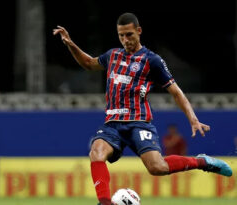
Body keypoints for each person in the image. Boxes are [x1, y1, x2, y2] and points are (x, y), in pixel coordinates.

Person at [53, 13, 232, 205]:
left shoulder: (151, 60)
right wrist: (70, 44)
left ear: (139, 31)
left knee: (157, 167)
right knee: (96, 151)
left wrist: (193, 118)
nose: (125, 40)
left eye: (129, 34)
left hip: (139, 122)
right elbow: (89, 63)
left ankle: (202, 162)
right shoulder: (112, 55)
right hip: (113, 124)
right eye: (121, 35)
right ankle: (104, 203)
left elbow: (176, 92)